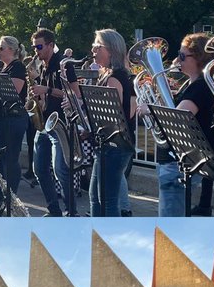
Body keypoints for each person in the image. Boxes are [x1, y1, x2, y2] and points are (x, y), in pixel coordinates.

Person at [156, 34, 214, 216]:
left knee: (170, 228)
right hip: (176, 162)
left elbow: (176, 120)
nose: (177, 60)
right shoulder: (191, 85)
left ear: (198, 58)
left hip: (180, 164)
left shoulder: (200, 87)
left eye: (182, 56)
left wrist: (149, 109)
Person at [26, 29, 79, 215]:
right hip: (44, 123)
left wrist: (46, 90)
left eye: (39, 46)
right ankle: (53, 209)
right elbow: (43, 96)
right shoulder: (41, 66)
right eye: (34, 47)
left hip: (59, 124)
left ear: (50, 45)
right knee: (39, 169)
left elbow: (75, 94)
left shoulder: (63, 65)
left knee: (61, 172)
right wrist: (37, 99)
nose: (36, 51)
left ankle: (71, 212)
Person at [87, 29, 135, 217]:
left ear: (110, 50)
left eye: (97, 47)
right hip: (107, 144)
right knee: (95, 196)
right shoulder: (107, 75)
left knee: (107, 201)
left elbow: (113, 116)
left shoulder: (115, 77)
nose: (93, 51)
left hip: (116, 145)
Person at [0, 35, 30, 211]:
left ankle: (10, 198)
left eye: (1, 48)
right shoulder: (1, 66)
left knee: (9, 159)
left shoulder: (18, 67)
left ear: (11, 49)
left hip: (11, 118)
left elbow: (14, 92)